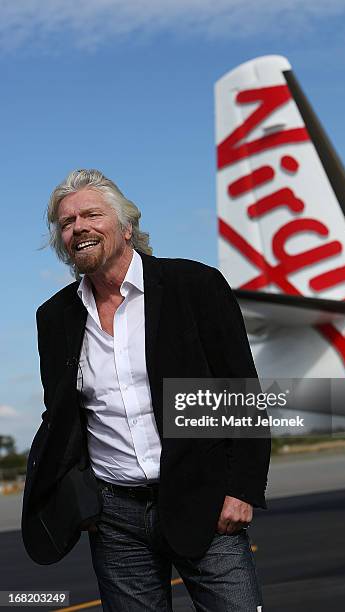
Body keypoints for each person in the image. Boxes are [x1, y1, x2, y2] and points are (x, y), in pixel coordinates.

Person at [22, 169, 271, 611]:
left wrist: (242, 490)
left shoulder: (194, 286)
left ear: (126, 227)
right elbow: (62, 417)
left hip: (206, 504)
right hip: (116, 521)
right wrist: (84, 500)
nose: (77, 227)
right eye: (66, 222)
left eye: (91, 215)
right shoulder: (54, 317)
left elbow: (241, 391)